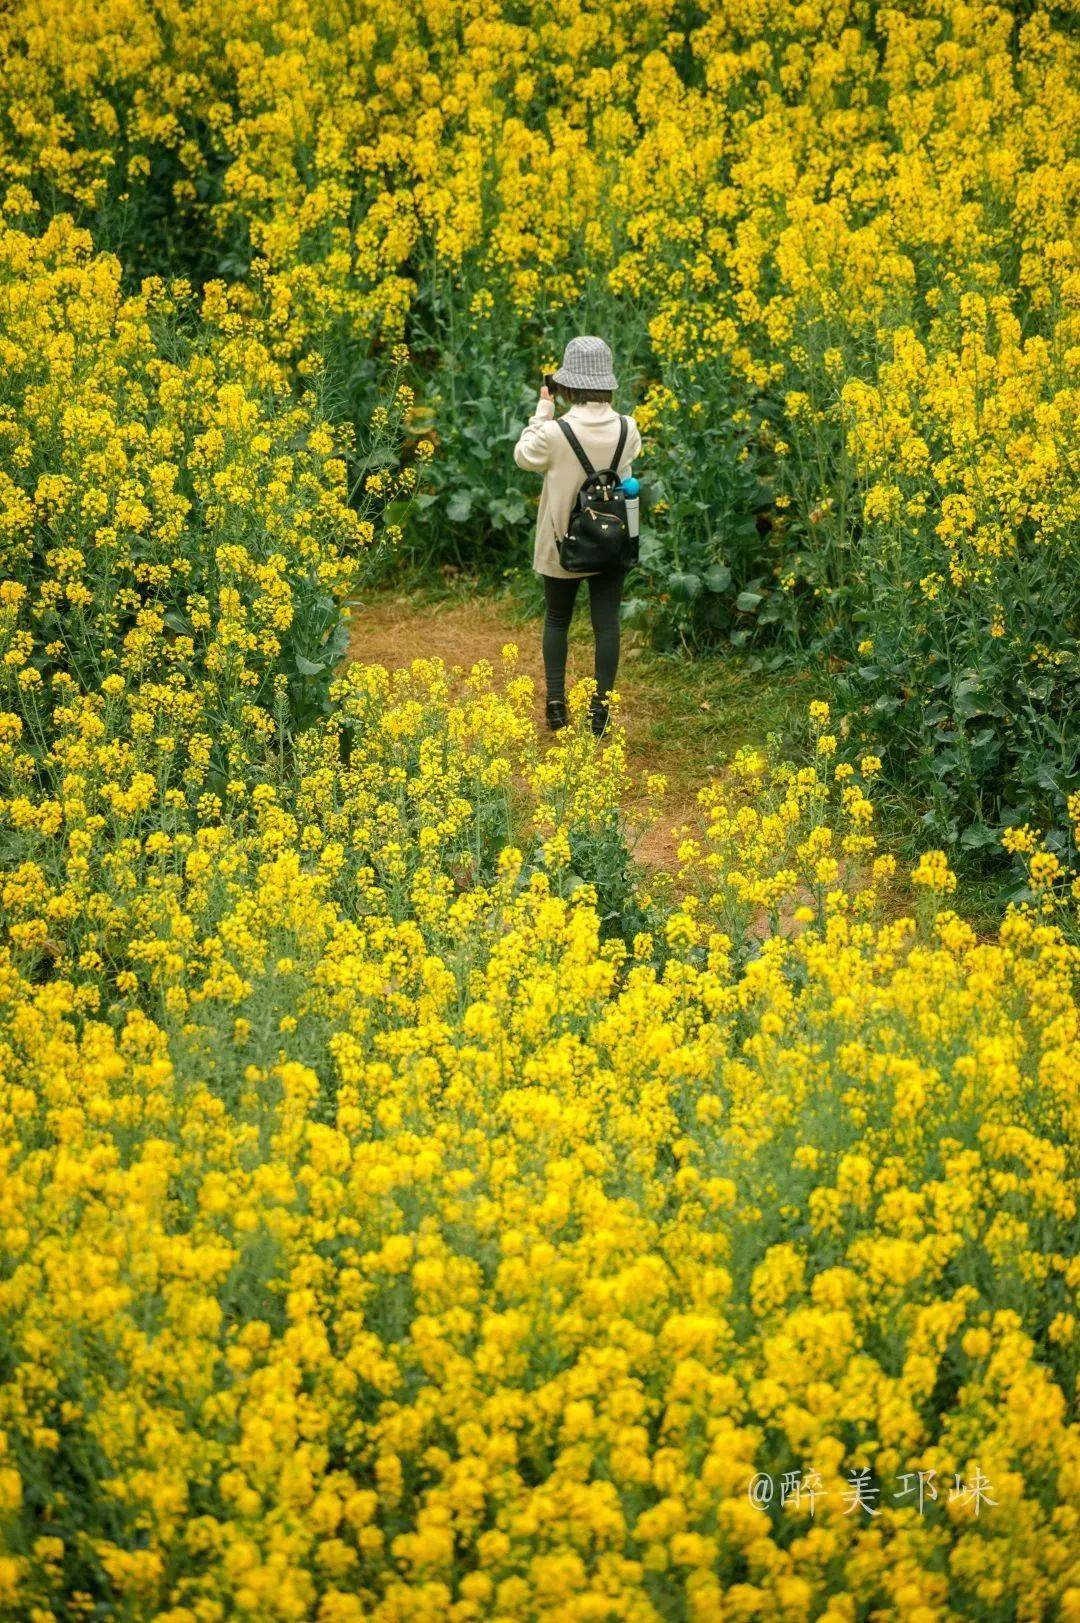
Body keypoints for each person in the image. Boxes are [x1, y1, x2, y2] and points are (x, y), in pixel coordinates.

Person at [513, 335, 642, 738]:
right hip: (611, 541)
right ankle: (600, 713)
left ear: (567, 384)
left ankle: (556, 705)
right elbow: (627, 471)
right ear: (606, 383)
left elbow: (523, 456)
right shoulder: (628, 427)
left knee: (557, 619)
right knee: (607, 626)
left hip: (561, 542)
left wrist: (543, 410)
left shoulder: (554, 433)